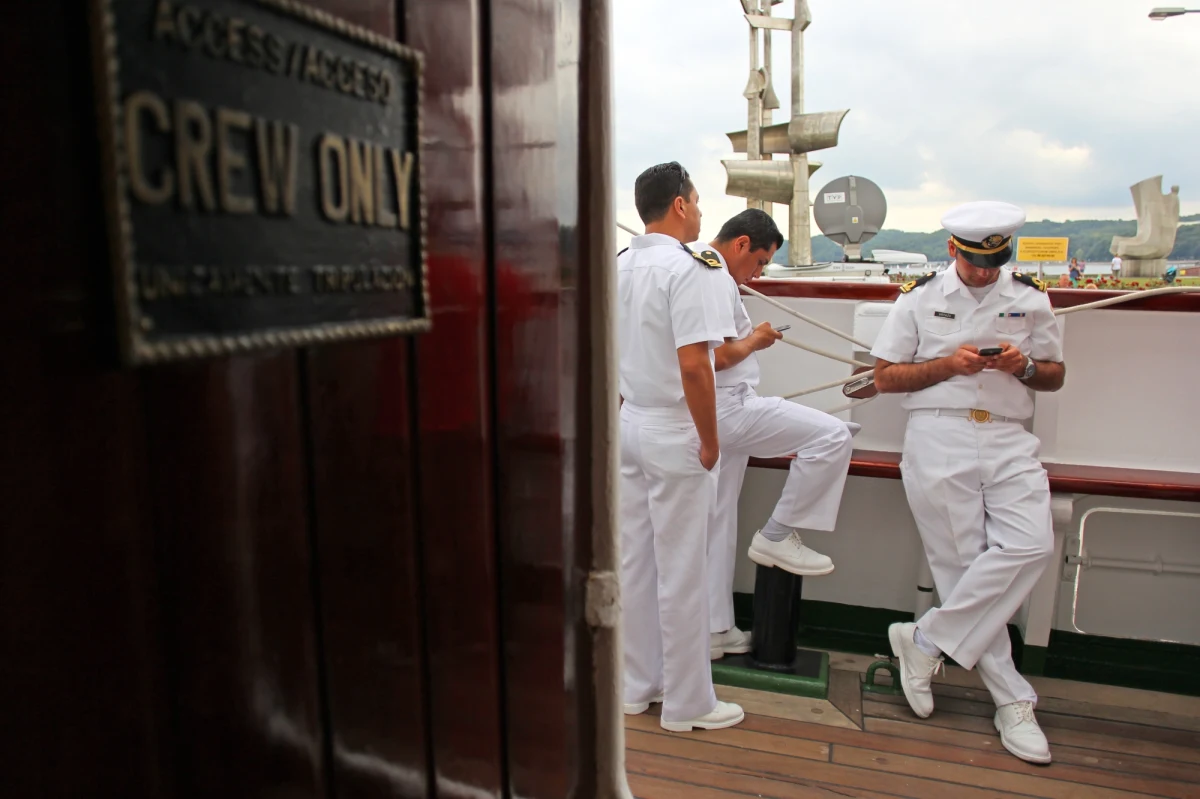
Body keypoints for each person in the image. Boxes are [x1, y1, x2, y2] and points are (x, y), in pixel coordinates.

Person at [870, 201, 1066, 765]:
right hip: (940, 433)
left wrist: (1020, 367)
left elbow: (1054, 375)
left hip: (1008, 436)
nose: (986, 272)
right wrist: (947, 367)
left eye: (996, 261)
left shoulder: (1029, 297)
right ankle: (1013, 701)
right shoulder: (919, 298)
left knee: (1032, 544)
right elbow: (885, 376)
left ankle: (926, 639)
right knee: (961, 568)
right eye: (977, 261)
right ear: (955, 250)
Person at [694, 209, 856, 659]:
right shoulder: (712, 276)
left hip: (708, 412)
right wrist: (757, 340)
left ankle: (713, 629)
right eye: (761, 262)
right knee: (832, 437)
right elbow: (713, 357)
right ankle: (777, 534)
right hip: (726, 410)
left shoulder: (702, 270)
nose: (760, 274)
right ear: (742, 244)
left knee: (718, 521)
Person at [617, 162, 745, 732]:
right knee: (684, 567)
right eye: (696, 201)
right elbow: (696, 364)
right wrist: (711, 440)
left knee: (635, 562)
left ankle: (635, 685)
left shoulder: (619, 265)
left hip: (629, 424)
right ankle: (688, 704)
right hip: (674, 428)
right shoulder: (693, 267)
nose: (699, 211)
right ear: (678, 205)